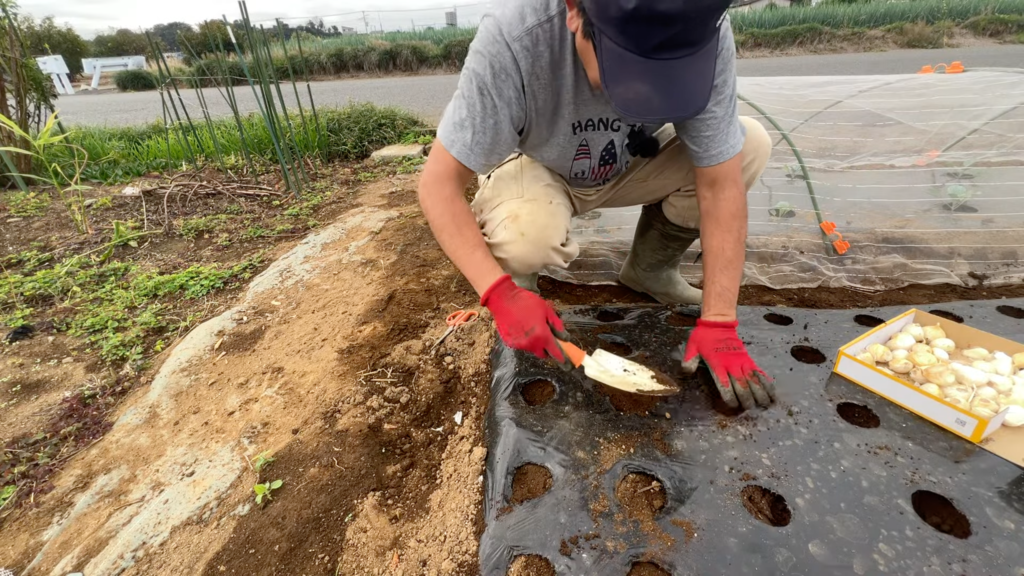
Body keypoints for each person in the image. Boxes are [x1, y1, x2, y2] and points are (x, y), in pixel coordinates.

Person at [418, 0, 776, 410]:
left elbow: (720, 184)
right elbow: (438, 184)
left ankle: (649, 270)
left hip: (627, 162)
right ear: (575, 10)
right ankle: (521, 292)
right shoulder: (516, 37)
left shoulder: (701, 27)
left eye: (665, 69)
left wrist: (719, 321)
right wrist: (498, 295)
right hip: (538, 165)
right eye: (628, 63)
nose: (644, 88)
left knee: (748, 146)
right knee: (527, 237)